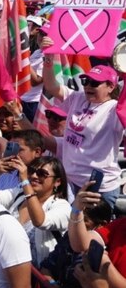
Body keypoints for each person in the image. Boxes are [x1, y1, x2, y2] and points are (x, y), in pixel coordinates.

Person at [40, 56, 126, 207]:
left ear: (111, 87)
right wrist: (48, 58)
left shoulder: (115, 109)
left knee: (90, 230)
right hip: (69, 180)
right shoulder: (77, 98)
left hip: (97, 186)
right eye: (86, 81)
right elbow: (51, 86)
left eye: (95, 83)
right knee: (68, 228)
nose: (88, 87)